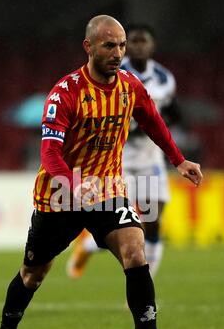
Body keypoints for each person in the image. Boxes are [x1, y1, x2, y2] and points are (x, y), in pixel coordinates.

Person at [0, 15, 202, 329]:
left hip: (108, 189)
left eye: (121, 46)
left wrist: (178, 160)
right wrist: (73, 184)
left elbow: (151, 120)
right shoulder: (65, 93)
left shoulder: (130, 86)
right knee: (32, 275)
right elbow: (50, 154)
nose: (118, 53)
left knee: (135, 249)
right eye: (109, 46)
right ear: (89, 47)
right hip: (60, 196)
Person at [67, 24, 180, 278]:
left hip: (150, 158)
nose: (139, 46)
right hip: (118, 158)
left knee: (152, 222)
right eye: (135, 41)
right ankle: (86, 247)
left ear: (152, 46)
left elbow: (174, 113)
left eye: (144, 41)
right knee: (117, 223)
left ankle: (144, 287)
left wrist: (155, 127)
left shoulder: (165, 78)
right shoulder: (116, 70)